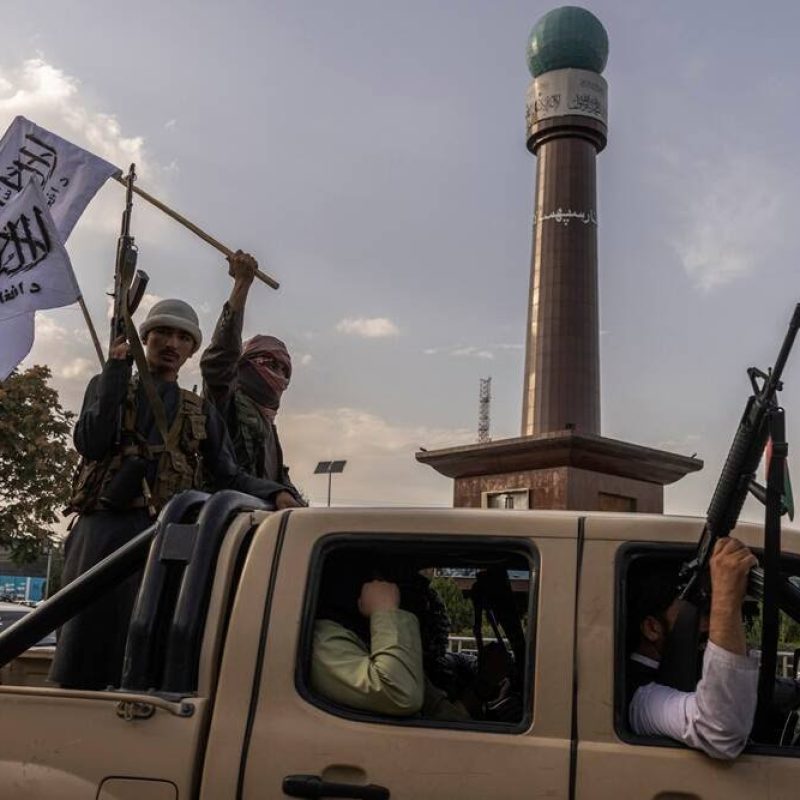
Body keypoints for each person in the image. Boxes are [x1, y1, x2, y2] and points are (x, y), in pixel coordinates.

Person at [51, 298, 301, 691]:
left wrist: (278, 493)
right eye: (162, 333)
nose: (171, 343)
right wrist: (116, 369)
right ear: (144, 338)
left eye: (183, 337)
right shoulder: (108, 385)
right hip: (102, 534)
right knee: (83, 646)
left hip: (161, 538)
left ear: (190, 350)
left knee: (151, 647)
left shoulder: (198, 409)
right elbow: (92, 442)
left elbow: (229, 474)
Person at [627, 537, 759, 760]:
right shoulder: (641, 698)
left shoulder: (680, 664)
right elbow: (719, 732)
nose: (710, 624)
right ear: (652, 628)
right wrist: (725, 598)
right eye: (696, 614)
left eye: (709, 612)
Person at [310, 555, 470, 720]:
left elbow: (445, 714)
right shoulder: (323, 640)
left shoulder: (365, 637)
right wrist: (385, 611)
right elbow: (400, 695)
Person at [201, 251, 300, 498]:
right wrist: (241, 285)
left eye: (282, 369)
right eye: (268, 362)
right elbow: (220, 357)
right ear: (244, 363)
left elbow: (278, 482)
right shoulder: (226, 401)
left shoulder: (268, 427)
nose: (276, 374)